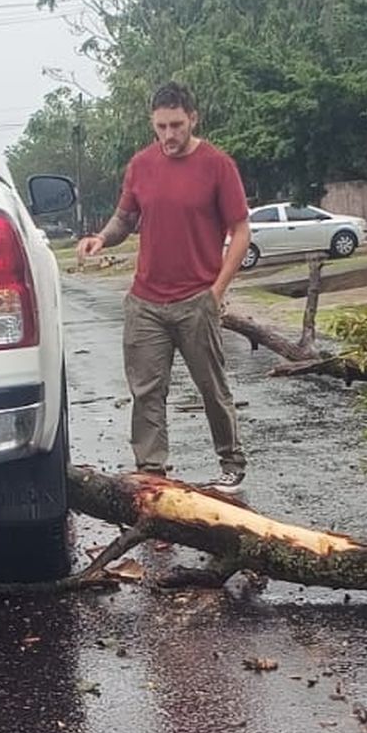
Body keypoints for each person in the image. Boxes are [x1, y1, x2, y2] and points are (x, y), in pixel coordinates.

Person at [77, 82, 250, 489]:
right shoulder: (140, 164)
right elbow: (125, 219)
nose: (169, 135)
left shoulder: (217, 165)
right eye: (161, 127)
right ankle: (152, 475)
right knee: (147, 393)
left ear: (193, 118)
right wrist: (102, 237)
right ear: (152, 124)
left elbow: (241, 231)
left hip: (196, 300)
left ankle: (231, 463)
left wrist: (216, 292)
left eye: (176, 125)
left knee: (212, 388)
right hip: (145, 302)